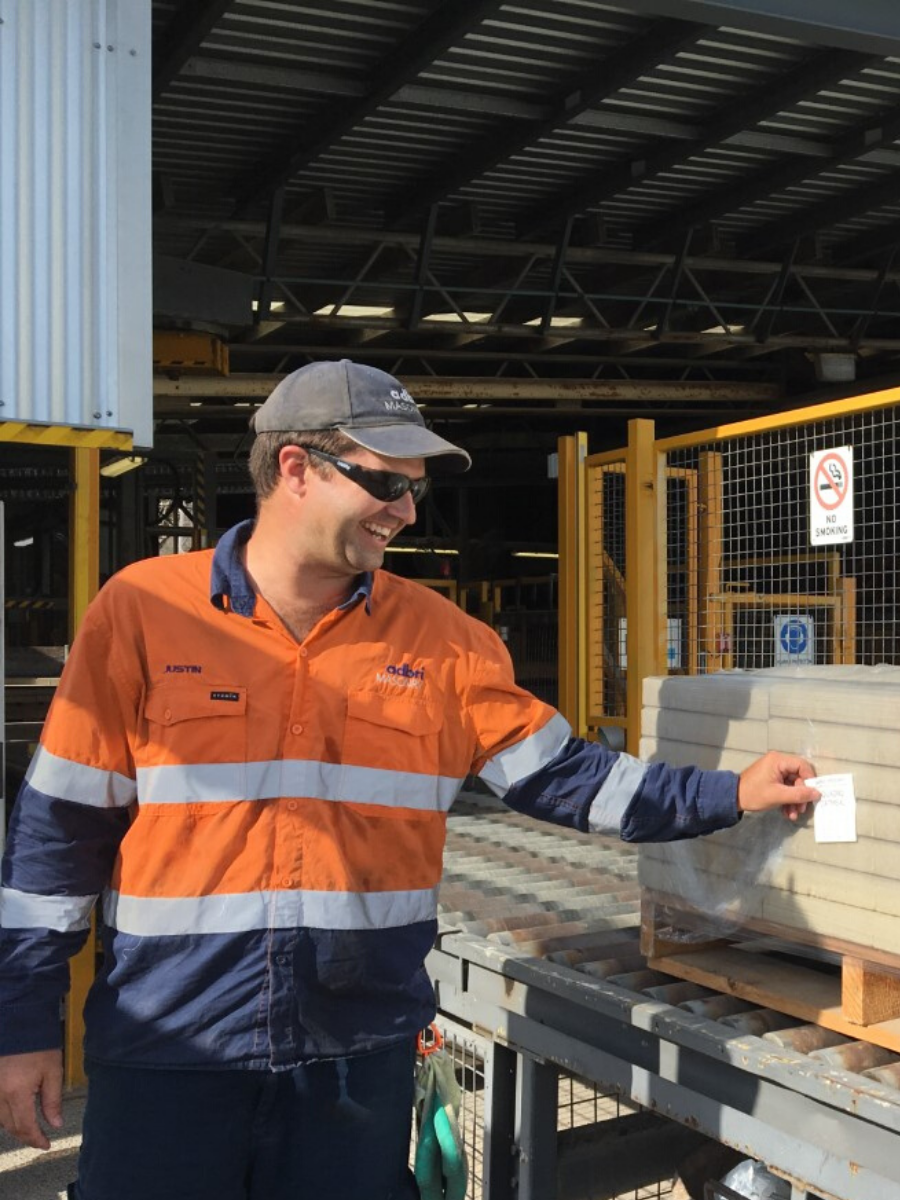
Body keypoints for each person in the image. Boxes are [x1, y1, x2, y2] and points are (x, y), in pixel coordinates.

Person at [0, 360, 819, 1199]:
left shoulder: (446, 642)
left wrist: (730, 793)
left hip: (355, 1058)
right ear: (295, 469)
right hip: (169, 1046)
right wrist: (23, 1024)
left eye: (414, 489)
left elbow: (567, 778)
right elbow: (58, 835)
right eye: (385, 482)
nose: (406, 511)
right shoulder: (143, 612)